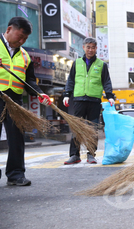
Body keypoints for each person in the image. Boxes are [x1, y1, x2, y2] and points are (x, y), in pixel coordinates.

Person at [0, 17, 51, 186]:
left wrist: (40, 94)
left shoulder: (25, 56)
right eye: (19, 36)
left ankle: (16, 174)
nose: (21, 41)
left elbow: (29, 81)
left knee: (16, 136)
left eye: (25, 39)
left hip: (14, 100)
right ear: (9, 30)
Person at [63, 37, 114, 165]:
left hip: (94, 101)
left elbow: (106, 81)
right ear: (83, 48)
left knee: (92, 129)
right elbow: (71, 80)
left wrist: (110, 96)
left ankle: (91, 155)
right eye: (88, 47)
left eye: (93, 47)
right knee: (77, 128)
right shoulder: (77, 63)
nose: (90, 50)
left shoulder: (101, 65)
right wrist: (66, 94)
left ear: (96, 48)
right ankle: (74, 155)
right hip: (79, 99)